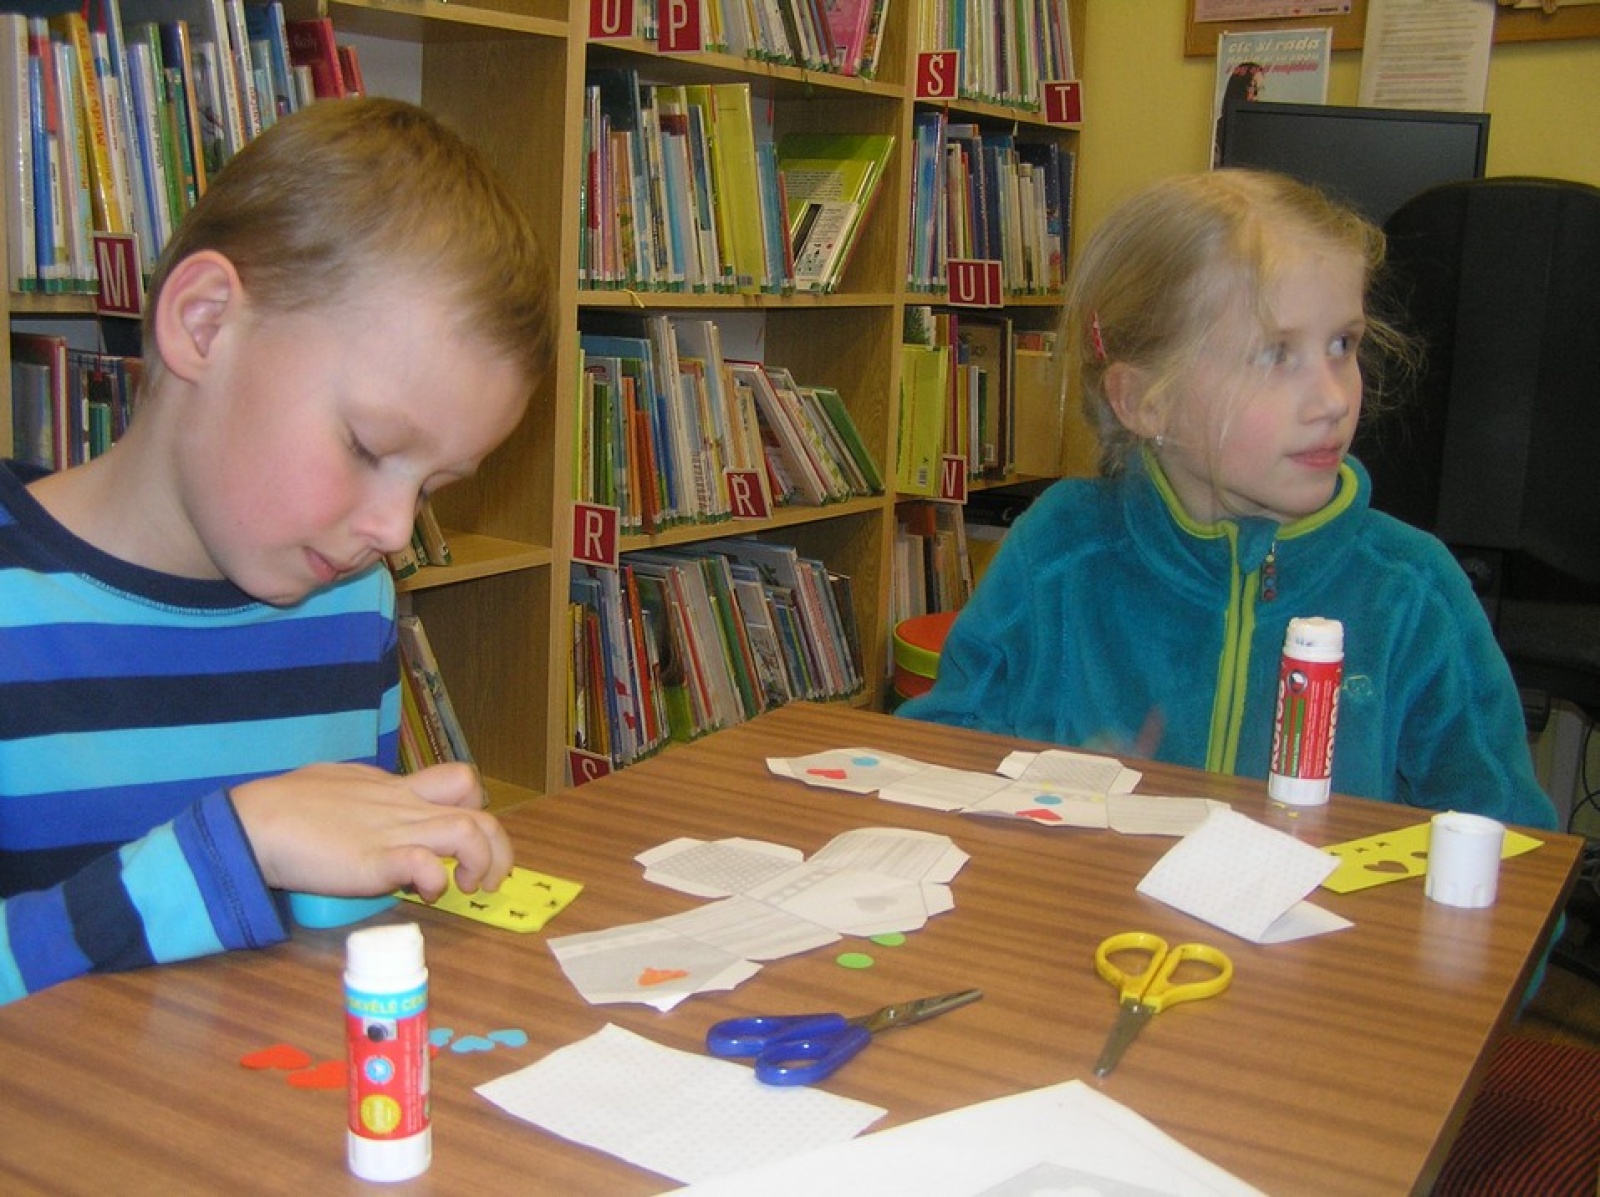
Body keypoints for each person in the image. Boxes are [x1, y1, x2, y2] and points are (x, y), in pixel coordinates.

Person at [0, 98, 554, 1002]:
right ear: (205, 323)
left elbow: (319, 944)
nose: (394, 531)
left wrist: (404, 862)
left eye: (432, 487)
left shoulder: (348, 603)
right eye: (368, 447)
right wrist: (234, 846)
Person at [900, 169, 1556, 832]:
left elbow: (1512, 846)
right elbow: (937, 770)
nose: (1333, 399)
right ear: (1145, 400)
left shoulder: (1412, 590)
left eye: (1342, 345)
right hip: (1083, 898)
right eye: (1276, 354)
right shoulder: (1059, 550)